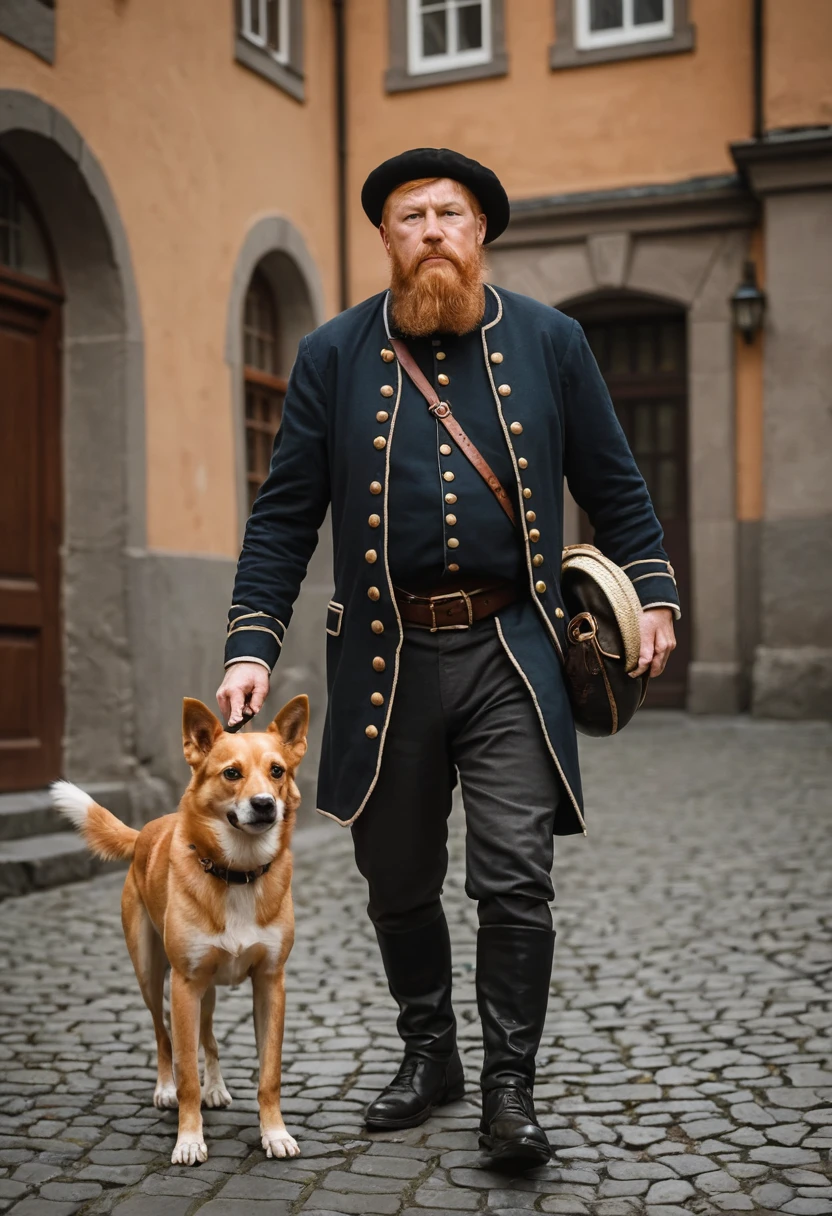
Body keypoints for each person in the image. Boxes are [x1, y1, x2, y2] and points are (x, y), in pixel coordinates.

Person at [217, 148, 679, 1167]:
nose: (430, 228)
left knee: (516, 876)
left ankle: (509, 1089)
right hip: (386, 654)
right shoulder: (332, 356)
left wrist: (653, 590)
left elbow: (615, 478)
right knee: (395, 877)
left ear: (481, 233)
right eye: (410, 215)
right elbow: (284, 516)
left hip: (513, 648)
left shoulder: (551, 341)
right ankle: (431, 1052)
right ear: (384, 237)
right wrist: (250, 644)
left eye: (450, 213)